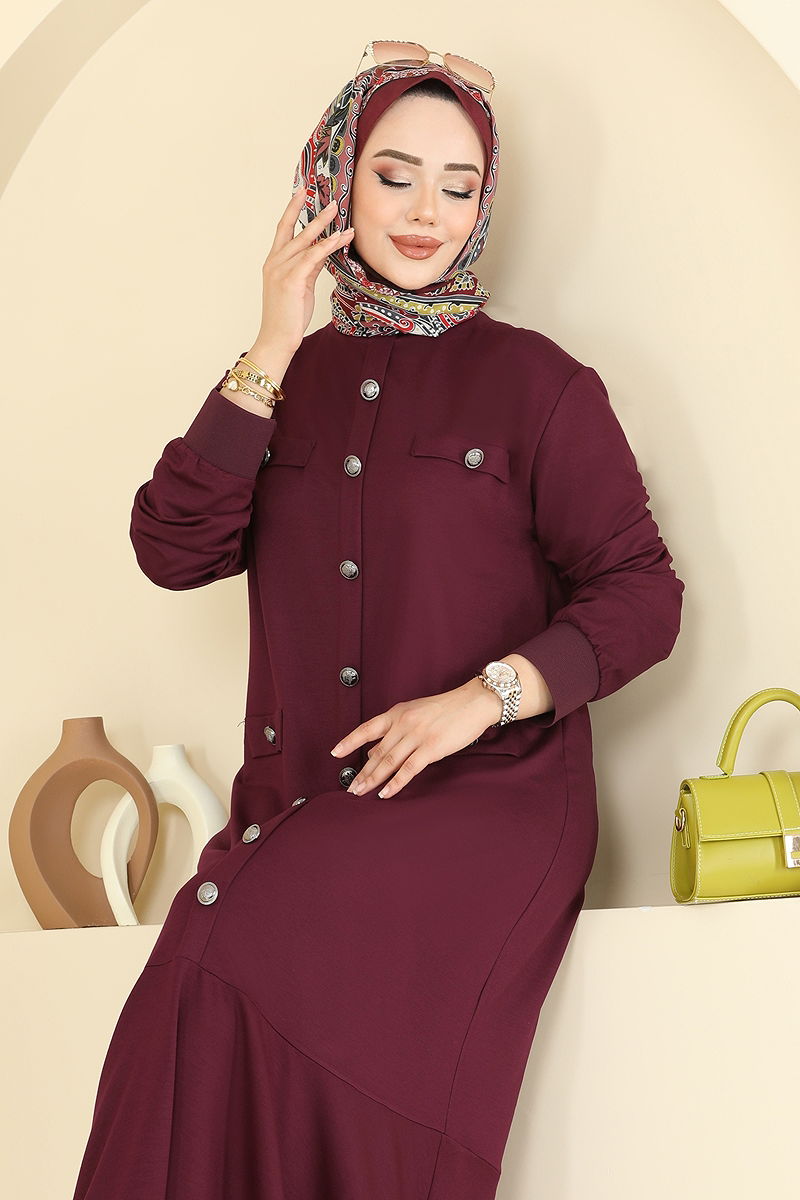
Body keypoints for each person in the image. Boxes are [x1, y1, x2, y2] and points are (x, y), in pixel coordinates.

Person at [71, 42, 685, 1200]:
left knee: (229, 934)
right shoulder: (282, 380)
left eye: (458, 186)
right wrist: (271, 337)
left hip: (487, 804)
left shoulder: (538, 385)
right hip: (305, 802)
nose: (425, 213)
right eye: (393, 176)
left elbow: (640, 592)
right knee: (193, 969)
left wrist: (478, 701)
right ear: (333, 183)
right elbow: (172, 550)